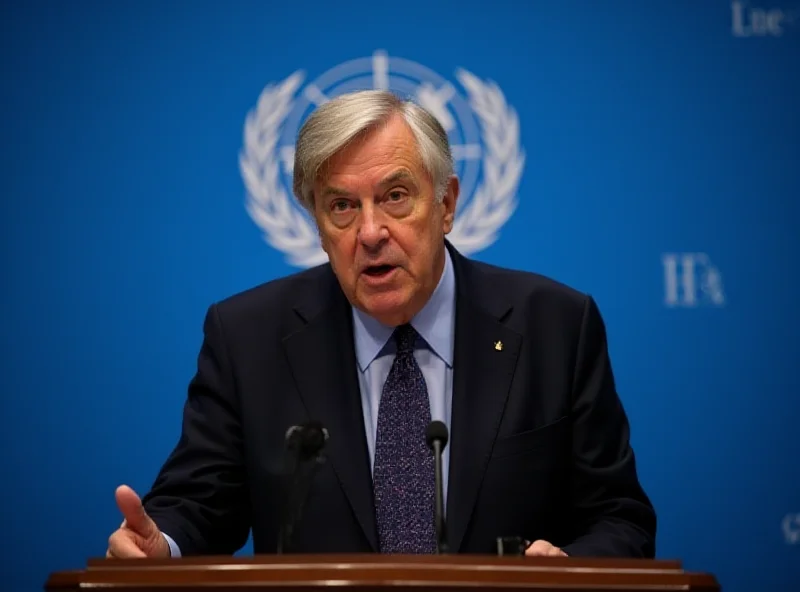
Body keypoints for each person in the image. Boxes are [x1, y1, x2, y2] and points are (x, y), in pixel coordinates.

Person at [106, 89, 656, 559]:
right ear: (318, 226)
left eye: (395, 197)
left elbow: (620, 518)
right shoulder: (247, 337)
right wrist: (164, 545)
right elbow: (201, 503)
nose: (370, 232)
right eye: (342, 206)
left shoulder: (555, 325)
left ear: (446, 204)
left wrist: (568, 567)